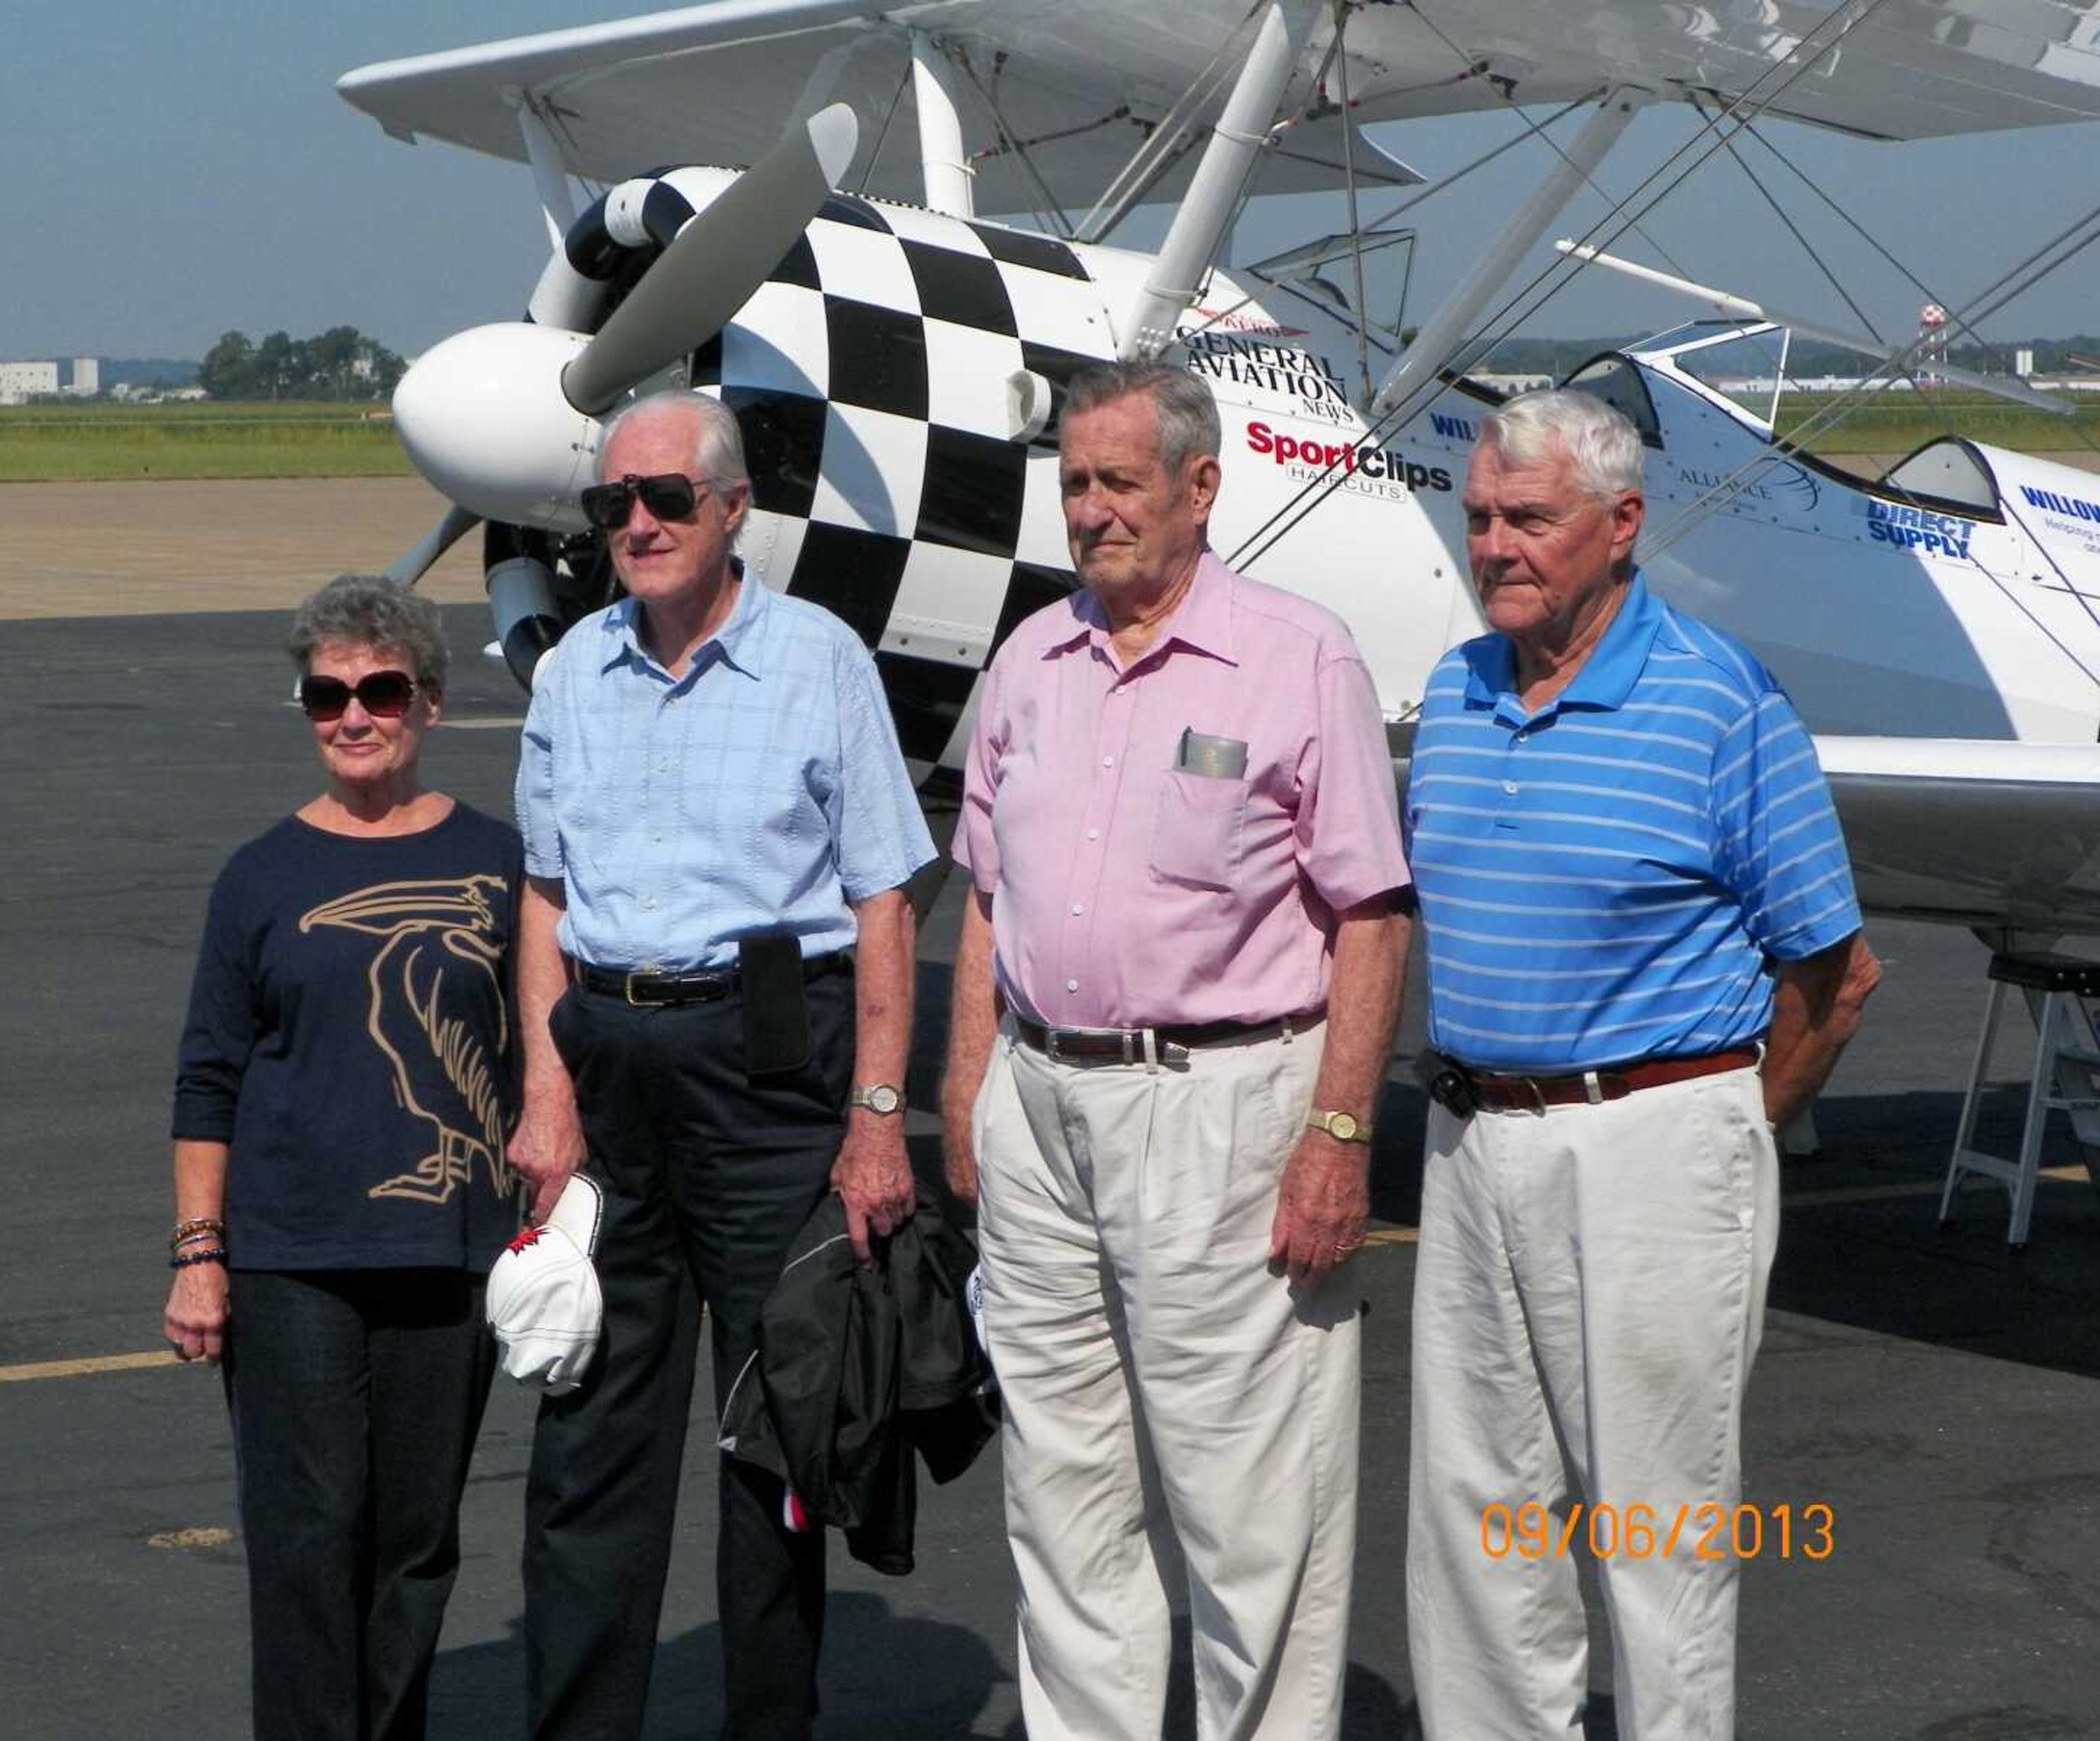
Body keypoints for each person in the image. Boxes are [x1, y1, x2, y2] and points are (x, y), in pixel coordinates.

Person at [938, 361, 1414, 1739]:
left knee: (1245, 1499)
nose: (1090, 513)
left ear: (1201, 489)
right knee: (1063, 1487)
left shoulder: (1299, 656)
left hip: (1224, 1105)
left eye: (1120, 484)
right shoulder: (1031, 658)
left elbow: (1371, 917)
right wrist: (970, 1094)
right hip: (1041, 1106)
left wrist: (1337, 1138)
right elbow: (984, 895)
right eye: (1075, 485)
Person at [1403, 389, 1883, 1741]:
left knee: (1658, 1531)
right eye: (1482, 515)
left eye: (1530, 520)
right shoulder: (1453, 692)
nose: (1494, 544)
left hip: (1658, 1143)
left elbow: (1836, 974)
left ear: (1621, 528)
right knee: (1481, 1524)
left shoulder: (1720, 700)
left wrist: (1728, 1122)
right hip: (1472, 1140)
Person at [508, 389, 935, 1741]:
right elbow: (542, 896)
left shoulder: (818, 661)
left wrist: (876, 1121)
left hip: (770, 1075)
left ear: (734, 508)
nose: (636, 524)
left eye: (666, 500)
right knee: (591, 1440)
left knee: (776, 1435)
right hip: (612, 1074)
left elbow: (885, 900)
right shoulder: (574, 671)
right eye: (612, 505)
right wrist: (545, 1091)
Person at [164, 572, 522, 1741]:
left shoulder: (504, 862)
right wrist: (200, 1252)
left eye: (380, 690)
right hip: (290, 1260)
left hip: (447, 1246)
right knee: (307, 1535)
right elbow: (208, 1076)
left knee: (415, 1543)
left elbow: (543, 1058)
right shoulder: (260, 877)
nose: (354, 715)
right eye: (328, 695)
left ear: (428, 702)